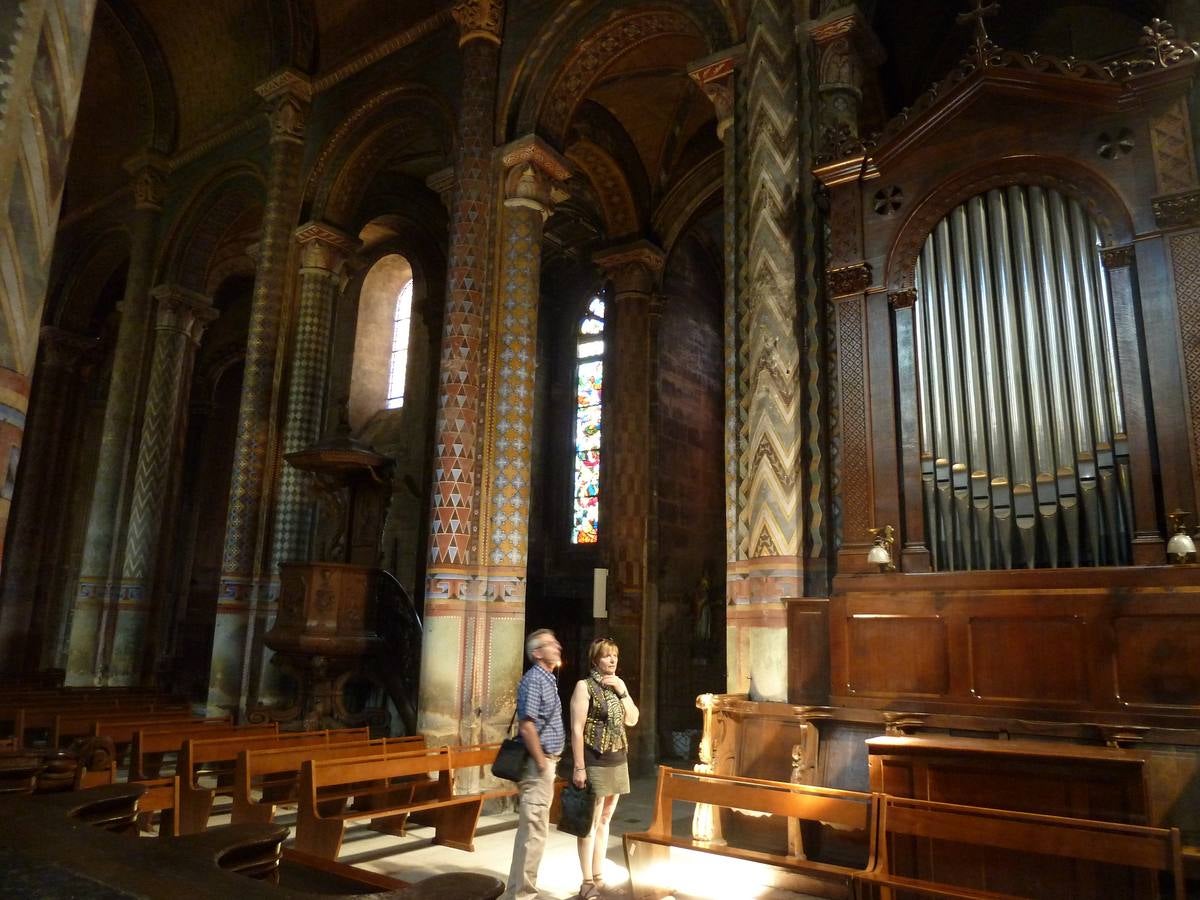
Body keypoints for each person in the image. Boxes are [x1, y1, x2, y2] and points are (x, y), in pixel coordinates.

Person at [569, 637, 639, 899]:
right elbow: (577, 729)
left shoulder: (617, 687)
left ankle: (599, 875)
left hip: (618, 757)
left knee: (607, 817)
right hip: (594, 758)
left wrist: (623, 691)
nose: (612, 660)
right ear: (595, 659)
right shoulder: (584, 686)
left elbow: (632, 719)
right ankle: (587, 881)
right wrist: (579, 767)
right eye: (607, 656)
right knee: (591, 820)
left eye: (615, 656)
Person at [501, 628, 564, 900]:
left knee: (531, 832)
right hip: (538, 766)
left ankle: (516, 892)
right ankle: (524, 895)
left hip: (546, 763)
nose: (557, 646)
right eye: (551, 644)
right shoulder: (535, 680)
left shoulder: (547, 679)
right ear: (537, 653)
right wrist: (541, 763)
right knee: (535, 834)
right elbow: (527, 726)